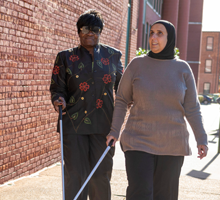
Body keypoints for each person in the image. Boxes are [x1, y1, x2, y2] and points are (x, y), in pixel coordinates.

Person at [106, 20, 208, 200]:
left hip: (172, 145)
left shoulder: (183, 69)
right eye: (151, 32)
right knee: (140, 194)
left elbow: (192, 107)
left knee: (165, 196)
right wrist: (114, 131)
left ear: (170, 38)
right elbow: (122, 99)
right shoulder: (137, 65)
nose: (153, 37)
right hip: (138, 141)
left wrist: (201, 138)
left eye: (159, 33)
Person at [50, 9, 123, 200]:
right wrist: (58, 99)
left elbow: (122, 92)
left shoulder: (113, 56)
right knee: (76, 175)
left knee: (100, 175)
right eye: (86, 28)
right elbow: (57, 88)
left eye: (95, 29)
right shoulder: (65, 57)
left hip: (103, 125)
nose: (91, 32)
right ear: (78, 31)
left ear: (100, 32)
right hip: (74, 124)